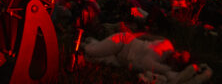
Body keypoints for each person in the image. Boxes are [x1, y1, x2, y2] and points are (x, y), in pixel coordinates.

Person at [83, 31, 212, 83]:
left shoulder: (164, 66)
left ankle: (89, 42)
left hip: (120, 58)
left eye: (179, 59)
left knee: (92, 58)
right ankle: (80, 42)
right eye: (180, 53)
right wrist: (133, 34)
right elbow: (147, 36)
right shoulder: (167, 45)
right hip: (123, 43)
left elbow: (175, 78)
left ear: (177, 65)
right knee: (90, 52)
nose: (176, 55)